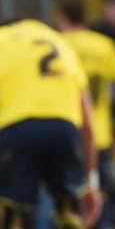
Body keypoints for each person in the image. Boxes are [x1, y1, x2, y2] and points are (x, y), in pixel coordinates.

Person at [0, 19, 103, 228]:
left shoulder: (3, 40)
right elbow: (89, 125)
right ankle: (69, 214)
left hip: (16, 129)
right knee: (68, 211)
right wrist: (91, 183)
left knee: (11, 212)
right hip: (65, 130)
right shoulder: (62, 43)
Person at [58, 0, 115, 227]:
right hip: (99, 138)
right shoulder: (104, 45)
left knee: (65, 201)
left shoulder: (57, 44)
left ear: (61, 18)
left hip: (67, 135)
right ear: (86, 18)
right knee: (98, 198)